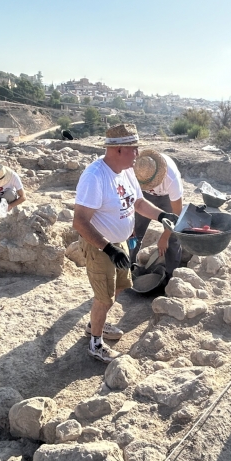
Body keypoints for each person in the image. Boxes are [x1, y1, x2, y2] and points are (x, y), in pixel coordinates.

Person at [73, 124, 179, 363]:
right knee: (104, 296)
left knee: (120, 285)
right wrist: (108, 248)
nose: (138, 153)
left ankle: (94, 325)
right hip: (100, 245)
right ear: (118, 149)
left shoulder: (127, 170)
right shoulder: (94, 176)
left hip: (119, 242)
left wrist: (162, 216)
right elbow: (79, 222)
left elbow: (138, 203)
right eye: (134, 148)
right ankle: (96, 344)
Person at [130, 149, 184, 281]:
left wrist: (164, 237)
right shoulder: (137, 169)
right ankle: (129, 268)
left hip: (167, 197)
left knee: (173, 237)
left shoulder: (172, 179)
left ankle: (170, 277)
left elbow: (176, 214)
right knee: (134, 232)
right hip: (144, 198)